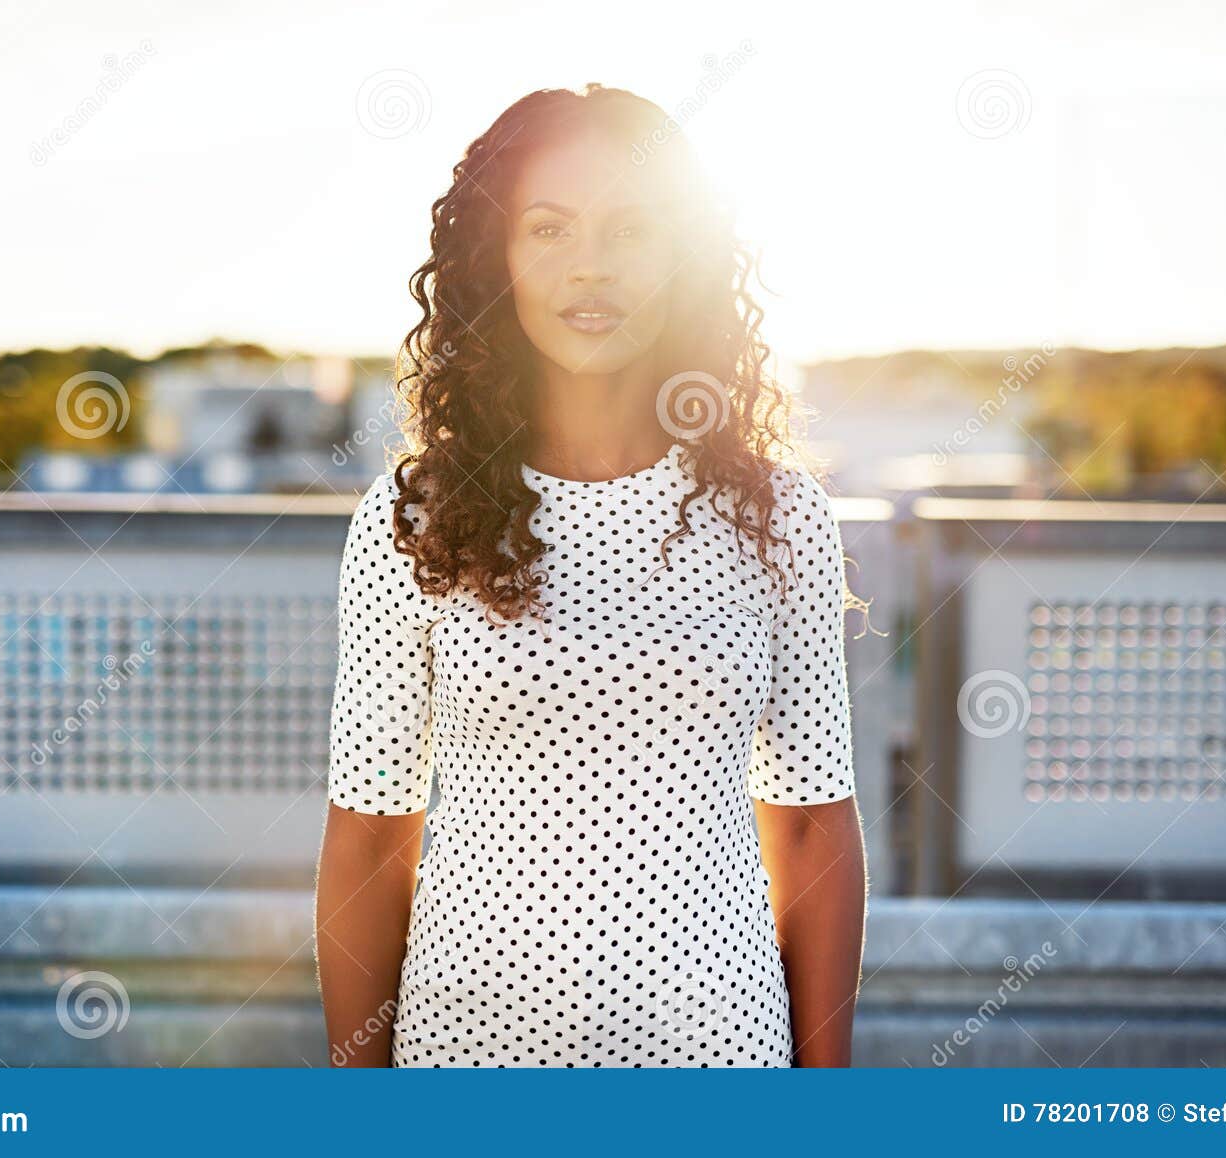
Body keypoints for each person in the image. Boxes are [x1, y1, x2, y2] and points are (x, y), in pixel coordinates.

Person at [315, 82, 867, 1067]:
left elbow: (815, 829)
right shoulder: (411, 523)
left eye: (630, 230)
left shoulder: (779, 521)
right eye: (548, 228)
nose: (590, 268)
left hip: (719, 1064)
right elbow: (366, 840)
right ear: (498, 259)